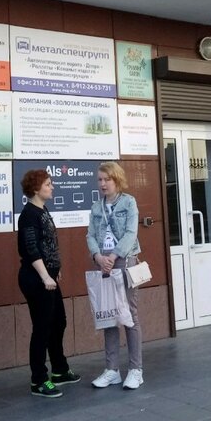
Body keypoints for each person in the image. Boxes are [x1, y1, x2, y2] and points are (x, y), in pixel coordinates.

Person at [17, 169, 80, 397]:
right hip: (36, 279)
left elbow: (48, 243)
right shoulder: (29, 214)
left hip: (49, 277)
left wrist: (55, 268)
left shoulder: (42, 210)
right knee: (42, 327)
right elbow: (31, 248)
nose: (52, 187)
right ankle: (39, 380)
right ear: (36, 189)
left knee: (58, 322)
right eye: (48, 184)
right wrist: (45, 275)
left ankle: (59, 370)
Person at [86, 161, 143, 390]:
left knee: (129, 315)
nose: (102, 183)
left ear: (116, 179)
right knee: (108, 314)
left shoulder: (129, 202)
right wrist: (98, 256)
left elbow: (131, 232)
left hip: (124, 261)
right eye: (99, 180)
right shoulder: (96, 207)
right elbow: (90, 235)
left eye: (106, 179)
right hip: (104, 263)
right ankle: (112, 370)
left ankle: (136, 370)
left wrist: (113, 255)